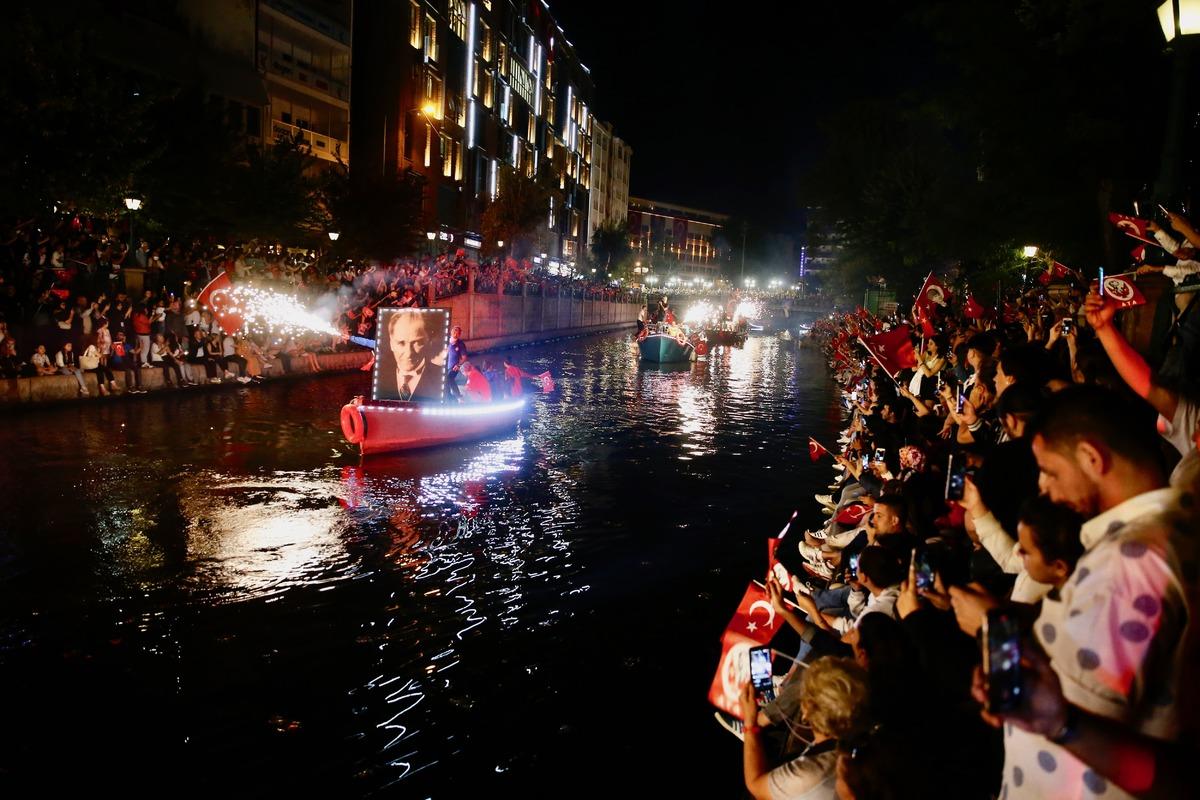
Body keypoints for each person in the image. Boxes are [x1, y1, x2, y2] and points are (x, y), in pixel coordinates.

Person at [737, 656, 870, 800]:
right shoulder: (868, 745)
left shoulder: (810, 774)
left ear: (806, 710)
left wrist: (750, 724)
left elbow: (756, 785)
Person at [377, 311, 445, 401]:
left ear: (429, 341)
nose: (409, 353)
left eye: (417, 343)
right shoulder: (379, 377)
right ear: (391, 343)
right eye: (401, 343)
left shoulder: (441, 378)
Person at [445, 324, 468, 401]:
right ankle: (448, 397)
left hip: (454, 366)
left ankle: (458, 396)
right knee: (445, 382)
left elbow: (464, 357)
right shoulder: (446, 341)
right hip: (445, 366)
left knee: (449, 379)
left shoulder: (461, 344)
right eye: (454, 331)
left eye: (458, 333)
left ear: (459, 334)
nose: (456, 333)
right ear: (451, 332)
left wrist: (458, 365)